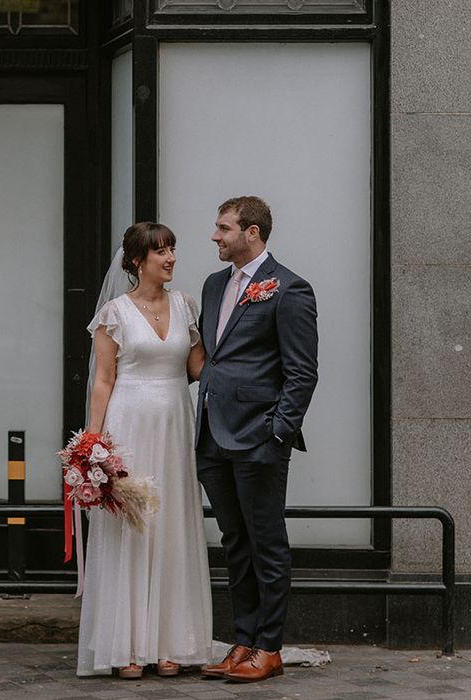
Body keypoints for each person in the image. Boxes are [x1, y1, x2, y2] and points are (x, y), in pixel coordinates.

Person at [76, 222, 213, 678]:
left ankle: (170, 641)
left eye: (173, 248)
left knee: (172, 524)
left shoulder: (185, 305)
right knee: (132, 528)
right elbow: (103, 379)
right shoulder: (114, 313)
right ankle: (128, 645)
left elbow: (198, 369)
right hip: (128, 424)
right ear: (137, 261)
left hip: (175, 424)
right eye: (161, 251)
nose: (171, 257)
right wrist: (93, 444)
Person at [196, 196, 318, 683]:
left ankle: (270, 647)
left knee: (266, 542)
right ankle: (242, 641)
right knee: (234, 542)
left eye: (223, 228)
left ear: (252, 233)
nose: (215, 236)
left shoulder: (289, 289)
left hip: (259, 439)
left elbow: (302, 372)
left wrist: (278, 431)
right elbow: (212, 357)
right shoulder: (212, 286)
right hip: (211, 437)